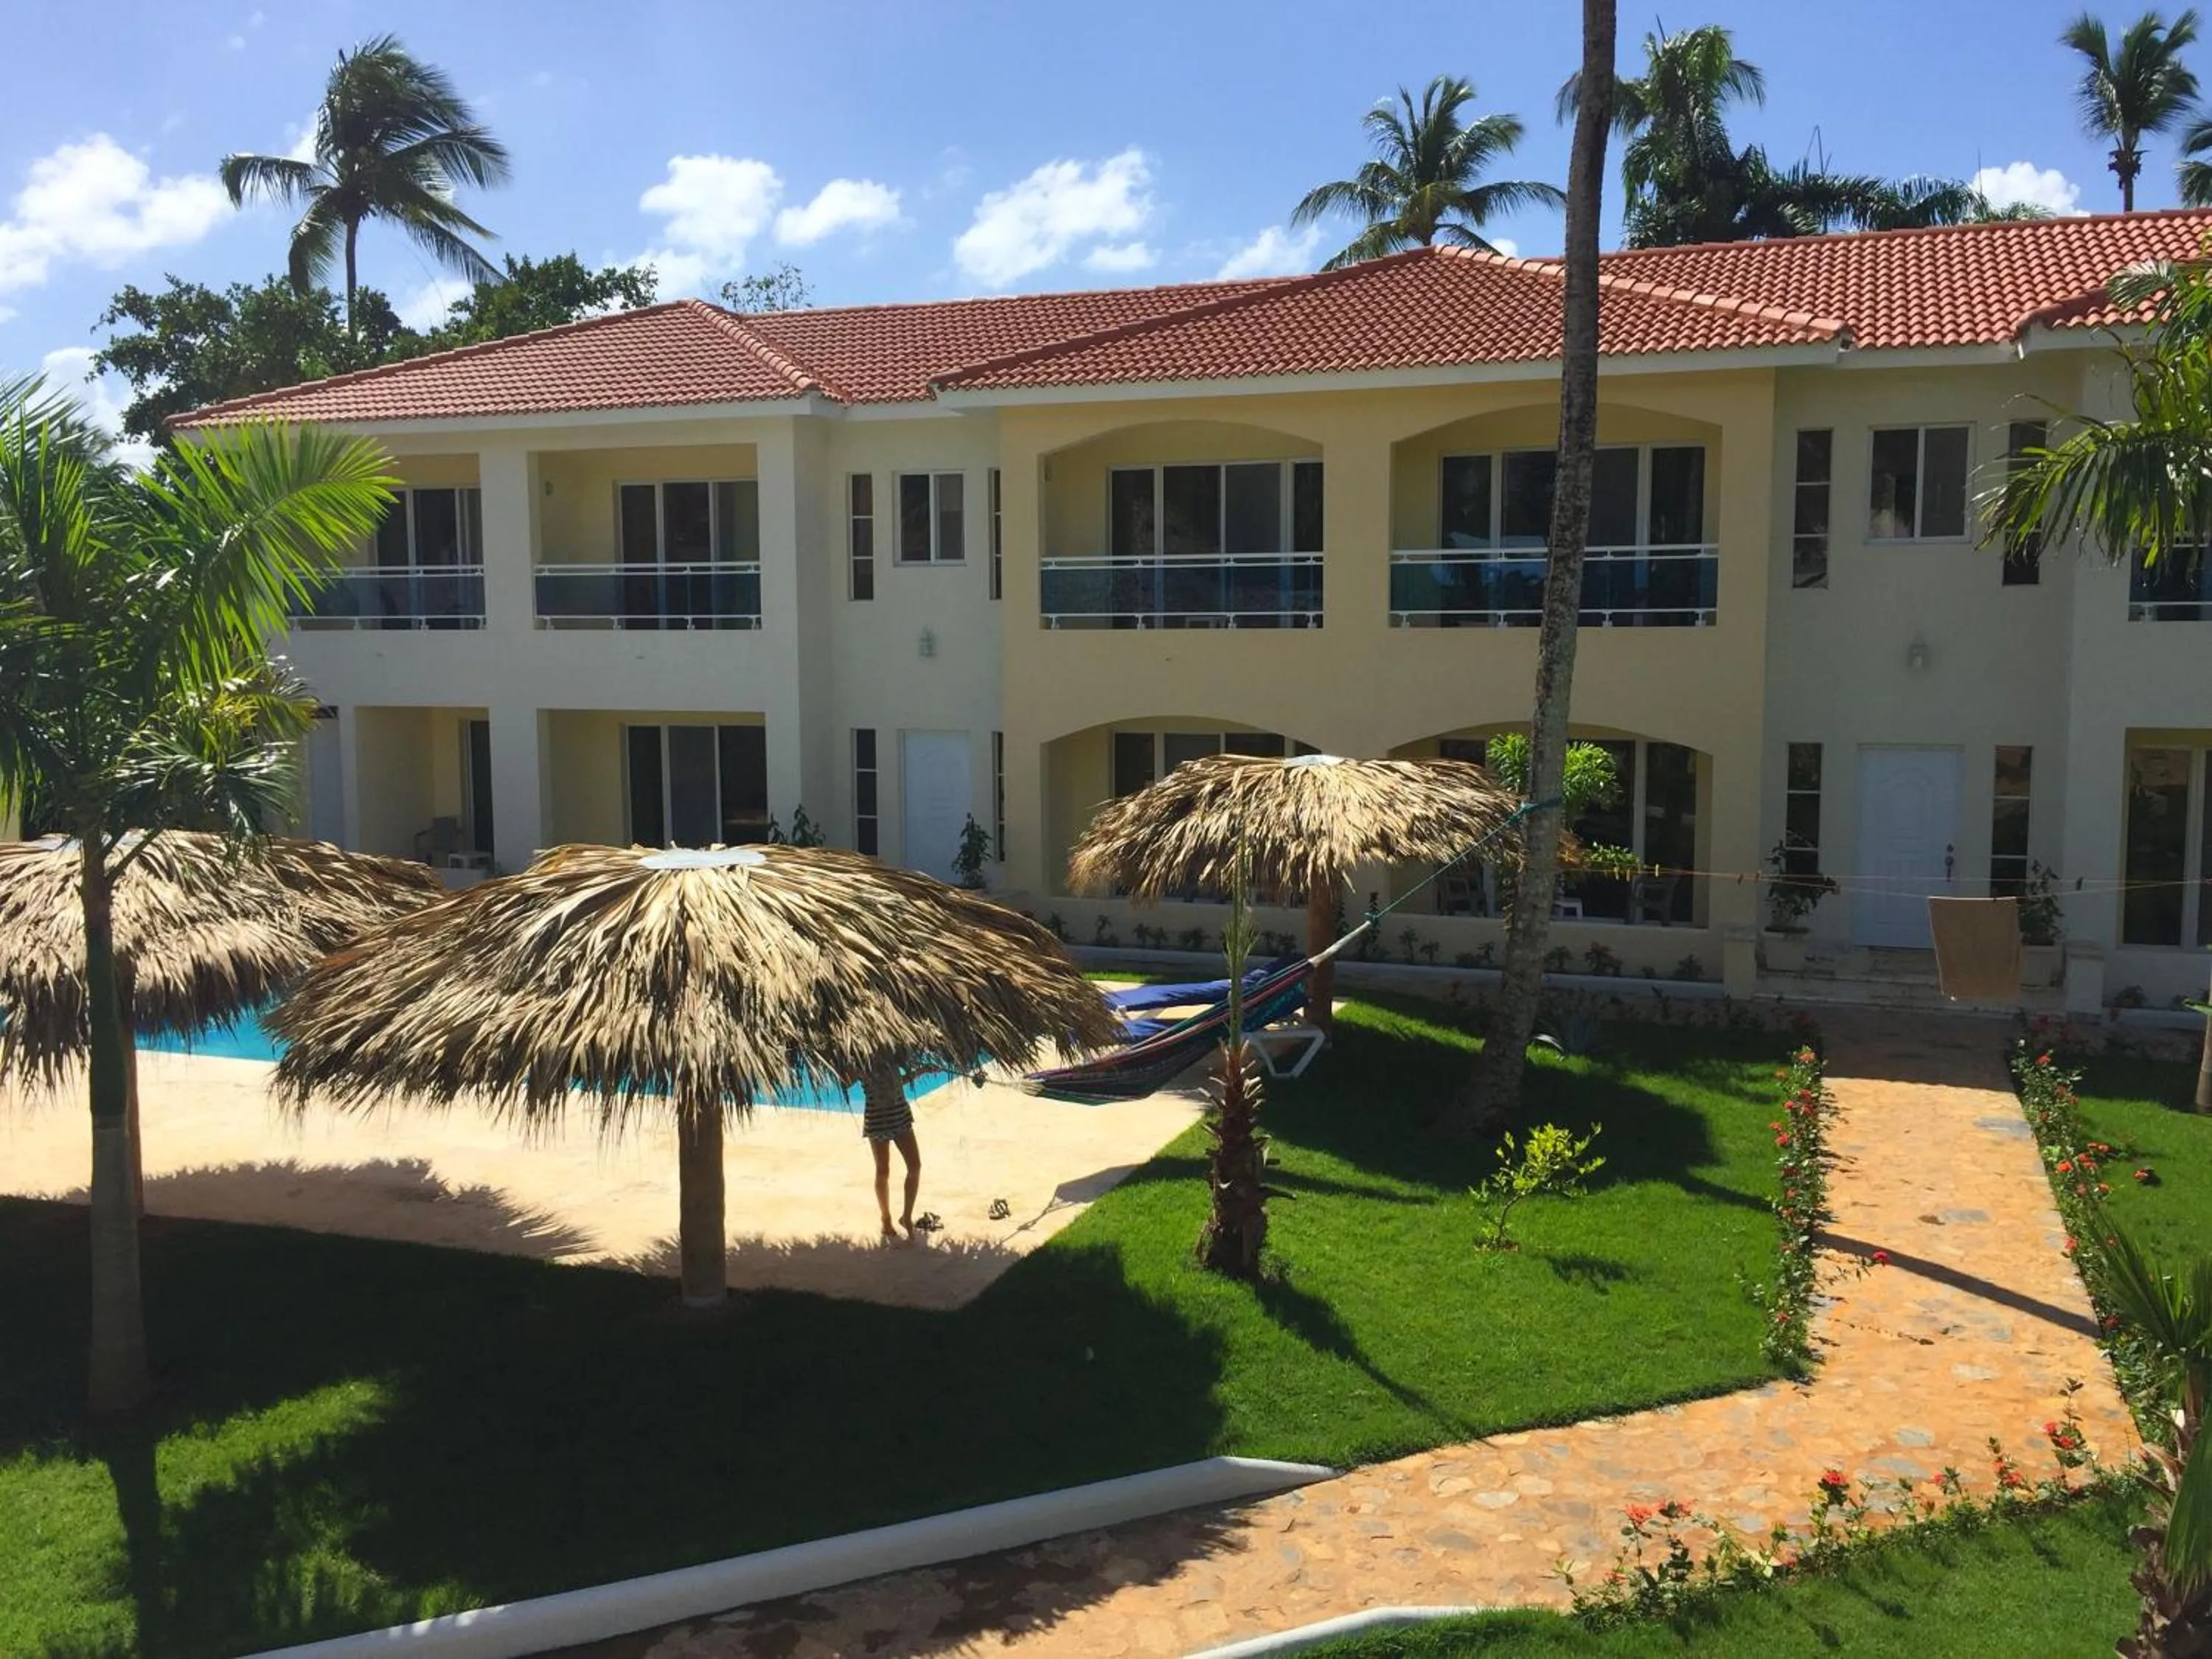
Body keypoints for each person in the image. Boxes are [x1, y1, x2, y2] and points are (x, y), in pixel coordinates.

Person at [860, 1062, 922, 1242]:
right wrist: (857, 1070)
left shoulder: (892, 1053)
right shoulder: (861, 1057)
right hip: (877, 1120)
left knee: (915, 1166)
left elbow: (896, 1083)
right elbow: (846, 1081)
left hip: (900, 1116)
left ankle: (906, 1217)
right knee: (882, 1171)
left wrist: (921, 1071)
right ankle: (886, 1218)